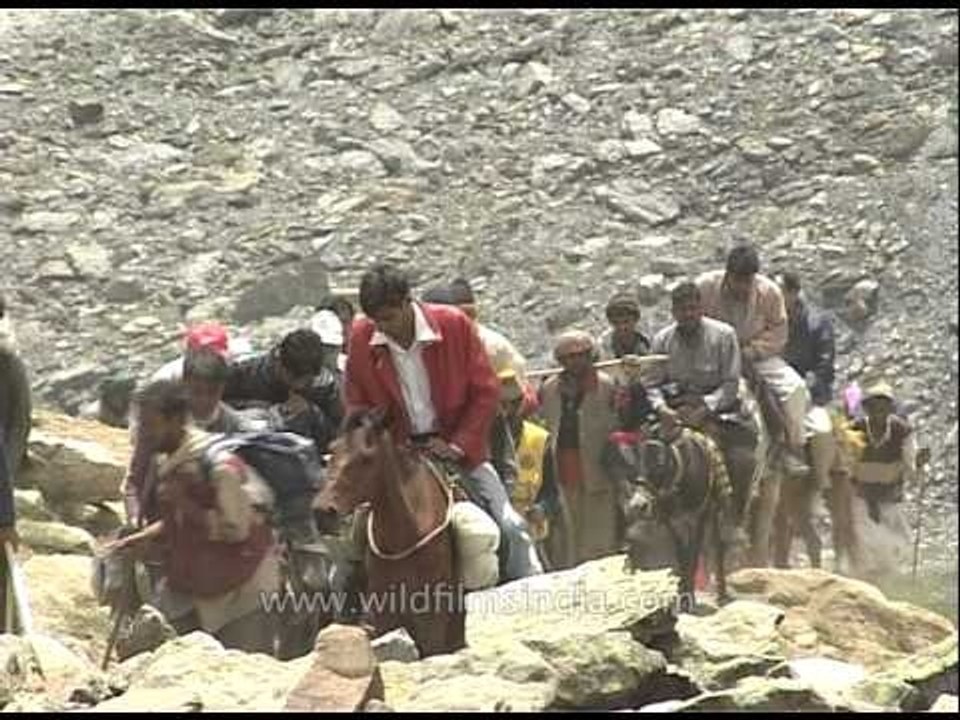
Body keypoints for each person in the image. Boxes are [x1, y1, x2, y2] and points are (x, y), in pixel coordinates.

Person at [343, 264, 542, 582]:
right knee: (353, 542)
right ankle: (347, 611)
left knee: (510, 527)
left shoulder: (454, 325)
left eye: (389, 318)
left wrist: (457, 445)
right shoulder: (362, 336)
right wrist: (377, 441)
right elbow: (356, 400)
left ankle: (532, 593)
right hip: (399, 456)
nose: (384, 327)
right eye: (377, 320)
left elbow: (485, 393)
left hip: (456, 450)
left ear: (408, 302)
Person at [108, 380, 279, 654]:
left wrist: (186, 505)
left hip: (242, 594)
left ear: (175, 421)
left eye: (151, 425)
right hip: (196, 586)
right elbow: (177, 520)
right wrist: (144, 536)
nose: (144, 434)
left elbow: (235, 529)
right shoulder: (169, 459)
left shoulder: (220, 466)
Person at [646, 282, 757, 525]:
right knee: (646, 458)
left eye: (692, 308)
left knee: (741, 461)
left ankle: (734, 520)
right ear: (673, 311)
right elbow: (652, 383)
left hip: (717, 412)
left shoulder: (723, 335)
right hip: (674, 413)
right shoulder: (662, 340)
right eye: (682, 310)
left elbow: (730, 383)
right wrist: (662, 408)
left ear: (701, 308)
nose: (688, 315)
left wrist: (704, 409)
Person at [697, 244, 811, 475]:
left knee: (796, 389)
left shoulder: (769, 293)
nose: (742, 287)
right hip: (712, 357)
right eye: (737, 280)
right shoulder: (705, 287)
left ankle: (790, 447)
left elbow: (779, 332)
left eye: (747, 281)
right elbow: (690, 320)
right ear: (727, 274)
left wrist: (751, 351)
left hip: (755, 354)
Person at [538, 330, 620, 568]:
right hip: (562, 466)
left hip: (598, 468)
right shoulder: (549, 388)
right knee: (566, 534)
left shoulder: (606, 386)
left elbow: (621, 420)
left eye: (580, 355)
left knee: (600, 532)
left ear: (590, 356)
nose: (575, 361)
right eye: (569, 357)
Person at [848, 382, 927, 580]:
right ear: (866, 409)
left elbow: (911, 467)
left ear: (891, 410)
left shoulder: (903, 432)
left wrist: (919, 463)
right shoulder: (854, 431)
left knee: (893, 548)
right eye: (873, 407)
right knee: (867, 544)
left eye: (883, 407)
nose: (878, 413)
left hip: (890, 496)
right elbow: (847, 466)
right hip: (861, 497)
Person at [223, 328, 342, 454]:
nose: (299, 386)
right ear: (278, 362)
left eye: (306, 380)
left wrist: (312, 412)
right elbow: (209, 408)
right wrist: (254, 409)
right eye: (293, 377)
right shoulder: (244, 372)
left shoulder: (325, 385)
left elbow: (339, 435)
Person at [493, 370, 563, 567]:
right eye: (502, 405)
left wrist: (542, 509)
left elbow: (552, 492)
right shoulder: (483, 442)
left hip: (534, 532)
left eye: (513, 404)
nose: (507, 411)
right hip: (499, 534)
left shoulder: (539, 439)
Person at [600, 292, 651, 360]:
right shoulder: (604, 344)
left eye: (626, 321)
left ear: (636, 319)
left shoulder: (646, 342)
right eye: (616, 323)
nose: (622, 327)